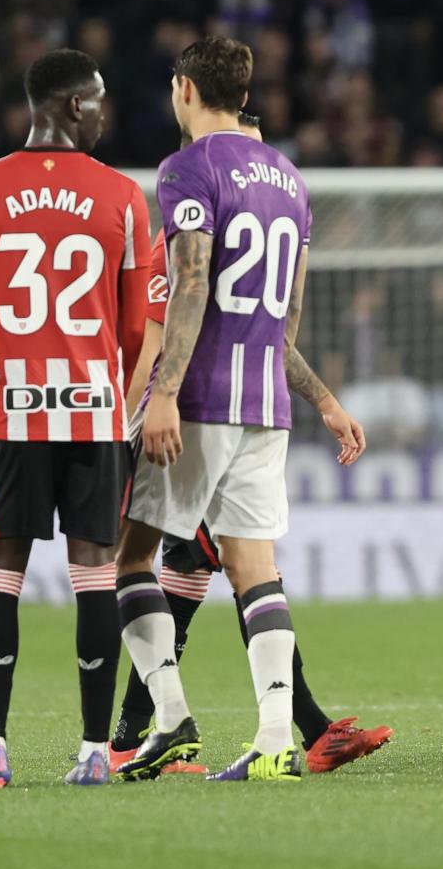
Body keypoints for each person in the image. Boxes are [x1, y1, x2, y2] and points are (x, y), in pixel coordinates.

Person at [114, 37, 366, 783]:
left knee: (128, 559)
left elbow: (191, 284)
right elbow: (281, 321)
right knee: (256, 569)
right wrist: (321, 398)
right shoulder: (288, 179)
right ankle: (273, 739)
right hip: (268, 403)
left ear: (185, 88)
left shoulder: (188, 168)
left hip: (200, 398)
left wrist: (162, 392)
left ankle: (168, 722)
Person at [0, 48, 151, 787]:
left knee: (1, 572)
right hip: (95, 412)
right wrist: (123, 399)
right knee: (94, 570)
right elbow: (133, 327)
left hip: (11, 412)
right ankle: (95, 752)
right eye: (96, 102)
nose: (104, 114)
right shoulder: (125, 196)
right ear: (67, 106)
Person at [108, 227, 390, 776]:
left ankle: (138, 735)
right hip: (189, 423)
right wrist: (125, 429)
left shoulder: (227, 242)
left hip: (224, 421)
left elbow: (270, 343)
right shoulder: (183, 238)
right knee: (242, 570)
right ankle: (299, 731)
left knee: (195, 578)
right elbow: (153, 339)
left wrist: (327, 401)